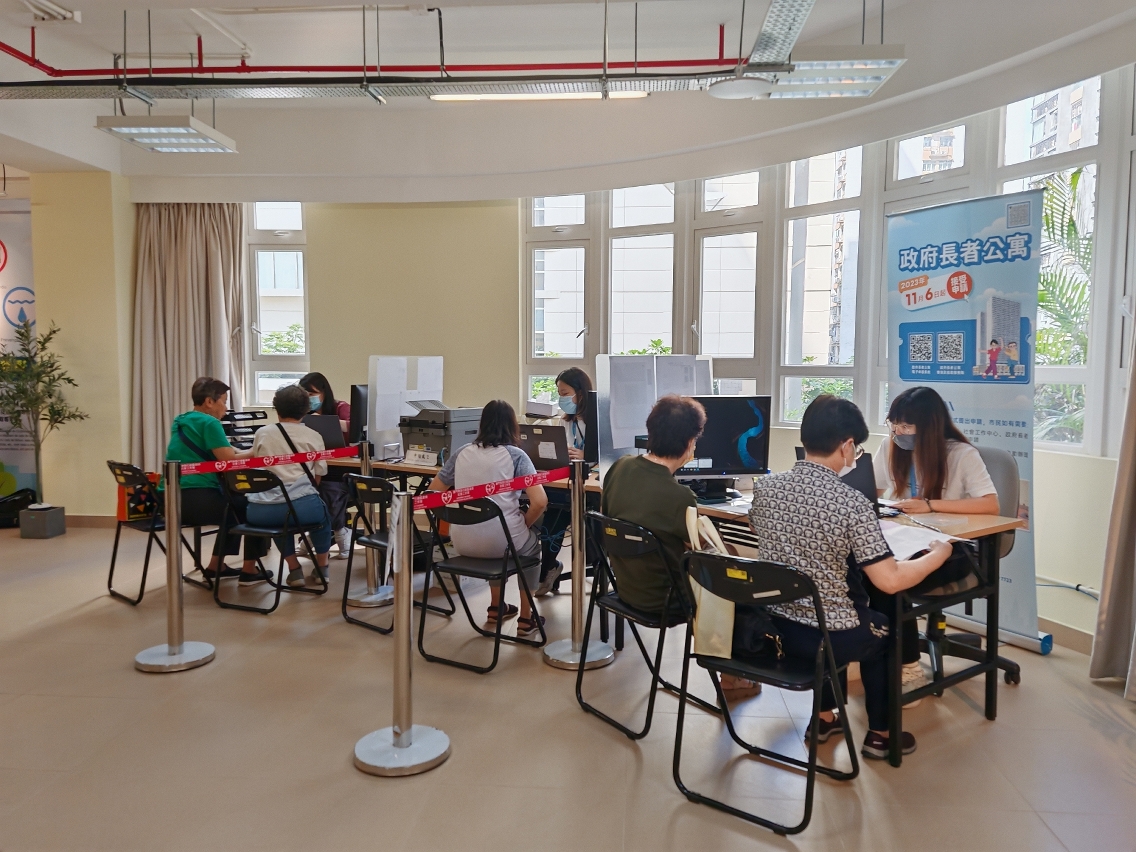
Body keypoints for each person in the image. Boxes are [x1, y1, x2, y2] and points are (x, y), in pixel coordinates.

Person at [748, 395, 952, 759]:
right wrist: (939, 554)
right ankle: (881, 735)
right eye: (855, 449)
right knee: (885, 628)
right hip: (833, 637)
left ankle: (823, 718)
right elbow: (890, 580)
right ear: (846, 446)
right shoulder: (851, 502)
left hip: (778, 629)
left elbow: (767, 535)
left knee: (825, 609)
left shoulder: (765, 489)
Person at [601, 394, 757, 699]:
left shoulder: (619, 468)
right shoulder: (680, 498)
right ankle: (732, 677)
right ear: (689, 443)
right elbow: (706, 553)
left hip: (624, 588)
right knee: (733, 572)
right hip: (665, 602)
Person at [875, 385, 1001, 696]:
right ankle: (872, 655)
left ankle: (909, 669)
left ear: (929, 427)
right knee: (866, 570)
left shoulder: (961, 455)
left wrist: (931, 505)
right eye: (894, 423)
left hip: (952, 549)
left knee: (892, 581)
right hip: (902, 540)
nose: (898, 431)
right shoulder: (890, 446)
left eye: (906, 425)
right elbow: (870, 493)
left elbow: (990, 505)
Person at [428, 400, 549, 637]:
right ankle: (526, 618)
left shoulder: (461, 452)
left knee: (498, 537)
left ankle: (496, 607)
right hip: (502, 542)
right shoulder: (517, 456)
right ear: (512, 426)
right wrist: (524, 523)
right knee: (532, 547)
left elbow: (433, 493)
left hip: (461, 541)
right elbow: (540, 502)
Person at [161, 377, 270, 586]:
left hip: (169, 499)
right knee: (253, 508)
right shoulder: (210, 422)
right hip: (196, 498)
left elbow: (218, 451)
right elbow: (229, 461)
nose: (226, 408)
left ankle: (216, 566)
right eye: (224, 401)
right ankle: (249, 569)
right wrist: (258, 451)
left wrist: (239, 452)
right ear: (209, 402)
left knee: (234, 507)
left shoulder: (181, 420)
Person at [245, 385, 334, 587]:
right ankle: (322, 568)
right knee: (323, 517)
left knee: (279, 523)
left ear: (276, 409)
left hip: (259, 511)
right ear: (306, 410)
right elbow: (319, 474)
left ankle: (294, 570)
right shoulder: (313, 436)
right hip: (300, 508)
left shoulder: (262, 433)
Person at [535, 367, 593, 596]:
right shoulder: (565, 421)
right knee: (553, 517)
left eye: (565, 393)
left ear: (581, 393)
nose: (562, 399)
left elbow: (611, 453)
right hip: (567, 481)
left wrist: (587, 455)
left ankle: (598, 568)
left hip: (593, 486)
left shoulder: (599, 418)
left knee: (593, 525)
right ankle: (548, 567)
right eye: (559, 393)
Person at [298, 372, 353, 560]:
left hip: (342, 466)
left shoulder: (341, 407)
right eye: (305, 395)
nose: (309, 399)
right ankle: (320, 534)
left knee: (329, 490)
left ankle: (338, 531)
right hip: (315, 465)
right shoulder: (303, 413)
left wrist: (332, 424)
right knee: (304, 490)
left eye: (312, 394)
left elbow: (355, 427)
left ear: (324, 392)